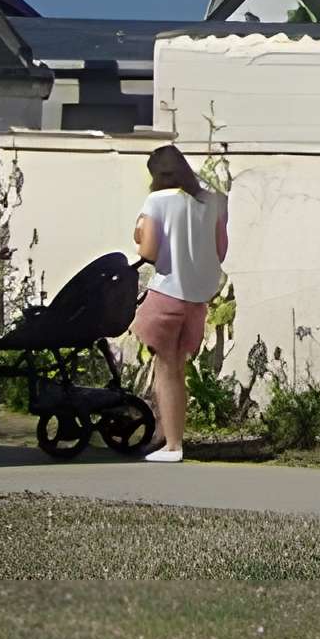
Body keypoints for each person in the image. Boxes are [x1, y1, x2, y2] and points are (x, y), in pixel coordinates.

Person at [131, 144, 229, 464]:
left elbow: (147, 251)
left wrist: (139, 231)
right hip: (197, 299)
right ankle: (173, 441)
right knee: (179, 371)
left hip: (166, 293)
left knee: (165, 370)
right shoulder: (211, 202)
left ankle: (172, 445)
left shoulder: (157, 200)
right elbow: (220, 250)